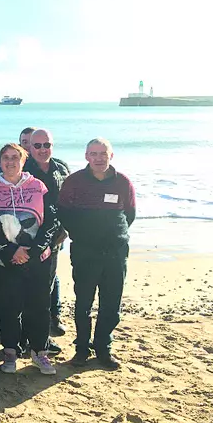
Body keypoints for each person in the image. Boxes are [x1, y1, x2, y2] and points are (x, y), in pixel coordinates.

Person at [59, 138, 136, 370]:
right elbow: (64, 212)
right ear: (86, 156)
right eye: (94, 153)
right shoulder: (73, 181)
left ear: (111, 156)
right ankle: (81, 349)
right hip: (85, 252)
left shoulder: (122, 182)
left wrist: (112, 235)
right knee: (83, 302)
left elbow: (129, 214)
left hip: (115, 252)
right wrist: (84, 234)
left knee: (111, 304)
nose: (99, 158)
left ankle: (103, 348)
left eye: (103, 153)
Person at [0, 143, 59, 375]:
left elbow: (51, 221)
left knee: (39, 306)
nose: (10, 161)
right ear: (0, 161)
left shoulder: (38, 186)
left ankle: (40, 352)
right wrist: (10, 251)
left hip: (38, 258)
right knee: (8, 307)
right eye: (5, 157)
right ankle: (10, 352)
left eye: (15, 157)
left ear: (23, 160)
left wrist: (35, 250)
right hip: (5, 260)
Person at [23, 129, 70, 341]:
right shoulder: (23, 169)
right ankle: (26, 335)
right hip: (27, 240)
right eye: (37, 145)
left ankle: (41, 337)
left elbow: (70, 202)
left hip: (55, 239)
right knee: (27, 290)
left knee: (45, 288)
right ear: (29, 147)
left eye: (47, 145)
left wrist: (67, 229)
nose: (43, 150)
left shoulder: (61, 169)